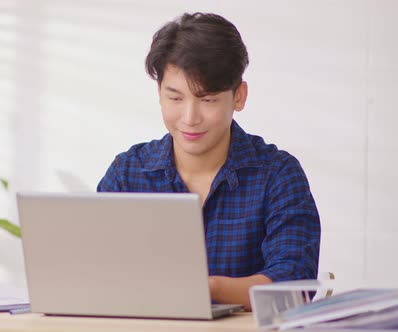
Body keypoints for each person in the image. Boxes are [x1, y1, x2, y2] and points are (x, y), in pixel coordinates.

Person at [97, 12, 320, 310]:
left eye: (207, 100)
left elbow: (295, 284)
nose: (190, 118)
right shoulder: (128, 173)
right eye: (175, 98)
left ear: (238, 96)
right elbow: (98, 271)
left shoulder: (277, 174)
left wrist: (206, 287)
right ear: (159, 94)